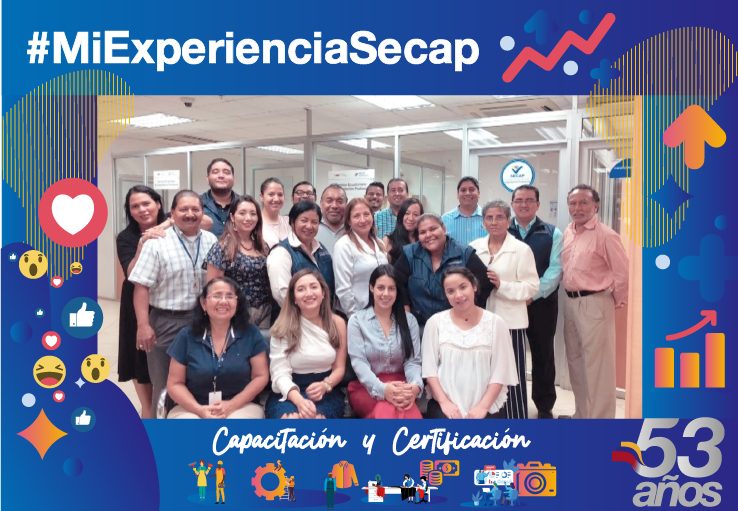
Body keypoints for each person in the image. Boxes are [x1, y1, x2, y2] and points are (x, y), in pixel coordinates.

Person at [129, 190, 218, 418]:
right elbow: (141, 287)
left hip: (203, 320)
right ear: (172, 213)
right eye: (183, 209)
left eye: (195, 209)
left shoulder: (211, 240)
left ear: (203, 212)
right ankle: (161, 435)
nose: (190, 214)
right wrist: (143, 325)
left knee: (201, 381)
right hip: (166, 321)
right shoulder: (157, 243)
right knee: (164, 387)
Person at [562, 185, 629, 419]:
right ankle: (582, 416)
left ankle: (600, 422)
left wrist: (613, 300)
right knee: (576, 362)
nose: (577, 208)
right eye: (573, 203)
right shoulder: (568, 231)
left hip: (595, 302)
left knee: (599, 367)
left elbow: (623, 273)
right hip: (570, 302)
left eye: (584, 203)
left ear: (596, 206)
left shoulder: (606, 235)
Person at [471, 200, 539, 420]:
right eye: (489, 218)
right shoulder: (474, 248)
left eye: (500, 217)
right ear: (483, 222)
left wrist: (502, 285)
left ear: (509, 221)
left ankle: (516, 422)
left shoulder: (521, 249)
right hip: (479, 322)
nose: (494, 222)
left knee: (512, 375)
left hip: (511, 323)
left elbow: (532, 286)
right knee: (484, 374)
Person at [422, 267, 518, 419]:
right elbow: (429, 370)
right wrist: (444, 403)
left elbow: (500, 372)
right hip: (445, 408)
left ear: (474, 286)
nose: (458, 295)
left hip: (486, 408)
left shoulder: (496, 323)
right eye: (450, 291)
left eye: (463, 287)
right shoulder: (435, 323)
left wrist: (482, 408)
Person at [166, 277, 269, 419]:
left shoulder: (251, 333)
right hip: (192, 408)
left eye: (230, 296)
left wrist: (232, 405)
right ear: (203, 303)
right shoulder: (186, 336)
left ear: (237, 303)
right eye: (217, 296)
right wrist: (199, 410)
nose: (223, 301)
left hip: (241, 406)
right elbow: (175, 384)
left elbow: (260, 376)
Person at [508, 185, 563, 419]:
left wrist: (531, 295)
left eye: (529, 200)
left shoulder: (552, 233)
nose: (524, 204)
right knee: (509, 354)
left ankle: (544, 405)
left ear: (538, 205)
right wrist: (514, 294)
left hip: (541, 305)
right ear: (512, 204)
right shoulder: (502, 230)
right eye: (519, 200)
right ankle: (509, 402)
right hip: (509, 303)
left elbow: (555, 270)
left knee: (543, 355)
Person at [266, 270, 347, 419]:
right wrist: (299, 401)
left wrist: (325, 385)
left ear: (323, 293)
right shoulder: (282, 327)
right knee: (292, 421)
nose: (308, 293)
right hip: (289, 391)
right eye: (301, 289)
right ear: (294, 298)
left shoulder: (338, 323)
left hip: (326, 391)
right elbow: (279, 374)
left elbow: (339, 368)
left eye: (313, 287)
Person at [116, 185, 167, 419]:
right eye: (135, 206)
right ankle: (147, 410)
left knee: (164, 358)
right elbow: (131, 274)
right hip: (136, 304)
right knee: (139, 357)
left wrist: (165, 225)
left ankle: (162, 407)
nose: (142, 209)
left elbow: (204, 221)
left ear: (158, 203)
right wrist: (142, 243)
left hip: (166, 301)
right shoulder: (126, 237)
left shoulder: (173, 223)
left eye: (146, 203)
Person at [347, 265, 423, 419]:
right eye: (381, 288)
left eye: (391, 289)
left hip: (402, 386)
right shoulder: (357, 321)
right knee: (393, 407)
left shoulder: (409, 321)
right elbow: (359, 363)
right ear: (371, 288)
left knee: (395, 406)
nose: (386, 294)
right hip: (367, 387)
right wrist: (383, 390)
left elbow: (412, 361)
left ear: (397, 291)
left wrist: (415, 386)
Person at [393, 214, 493, 327]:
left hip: (456, 324)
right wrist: (405, 306)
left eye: (433, 229)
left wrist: (468, 308)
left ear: (444, 229)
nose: (428, 235)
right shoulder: (410, 253)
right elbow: (396, 282)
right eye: (423, 232)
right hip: (419, 325)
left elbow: (485, 283)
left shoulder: (463, 253)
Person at [204, 196, 272, 329]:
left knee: (262, 342)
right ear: (232, 217)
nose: (248, 218)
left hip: (265, 311)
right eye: (242, 213)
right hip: (235, 312)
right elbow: (212, 288)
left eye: (253, 214)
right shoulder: (222, 247)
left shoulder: (263, 246)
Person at [267, 201, 335, 308]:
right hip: (295, 316)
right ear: (292, 222)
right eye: (304, 220)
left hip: (324, 314)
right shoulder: (281, 252)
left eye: (314, 222)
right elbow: (281, 294)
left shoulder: (321, 248)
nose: (309, 226)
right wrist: (306, 315)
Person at [333, 198, 389, 317]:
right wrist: (354, 317)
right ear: (349, 221)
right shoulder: (344, 245)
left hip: (378, 312)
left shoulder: (379, 243)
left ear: (372, 216)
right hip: (354, 314)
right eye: (356, 216)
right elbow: (343, 288)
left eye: (366, 214)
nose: (363, 220)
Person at [199, 158, 239, 238]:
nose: (221, 176)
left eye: (226, 172)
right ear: (208, 179)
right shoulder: (196, 204)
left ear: (233, 180)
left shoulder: (243, 204)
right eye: (215, 172)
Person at [441, 176, 486, 245]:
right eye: (463, 190)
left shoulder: (488, 218)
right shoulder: (445, 219)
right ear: (457, 194)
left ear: (478, 193)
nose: (467, 193)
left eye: (471, 190)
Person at [383, 198, 423, 264]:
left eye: (415, 214)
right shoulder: (388, 240)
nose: (410, 218)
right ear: (401, 215)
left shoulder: (423, 240)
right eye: (407, 213)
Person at [259, 177, 291, 250]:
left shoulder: (289, 222)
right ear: (261, 197)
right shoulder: (255, 223)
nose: (276, 199)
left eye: (280, 195)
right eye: (271, 194)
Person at [316, 184, 347, 253]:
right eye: (329, 201)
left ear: (346, 204)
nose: (334, 206)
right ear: (321, 204)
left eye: (340, 201)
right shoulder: (312, 227)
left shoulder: (353, 228)